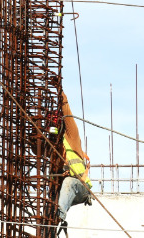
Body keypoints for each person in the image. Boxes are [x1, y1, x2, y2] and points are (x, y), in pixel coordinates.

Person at [56, 98, 92, 230]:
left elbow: (68, 117)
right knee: (55, 190)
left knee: (69, 182)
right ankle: (53, 220)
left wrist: (61, 95)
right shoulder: (54, 148)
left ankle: (59, 215)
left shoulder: (71, 139)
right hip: (67, 194)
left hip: (81, 188)